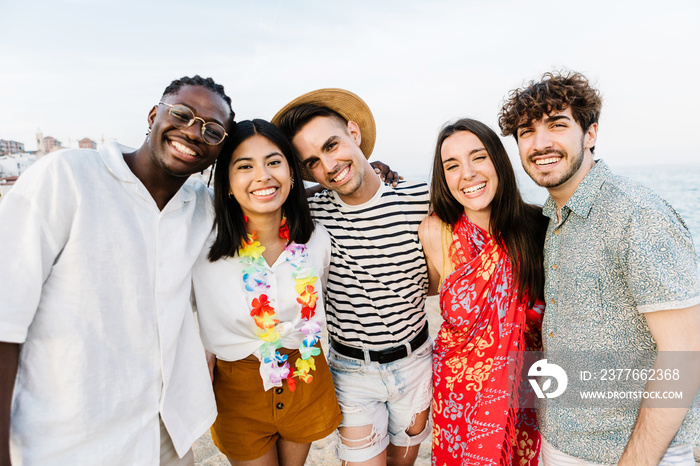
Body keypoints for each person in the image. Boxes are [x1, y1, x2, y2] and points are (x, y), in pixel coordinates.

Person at [0, 75, 235, 465]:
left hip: (166, 435)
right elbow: (4, 320)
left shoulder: (202, 208)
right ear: (153, 115)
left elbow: (265, 197)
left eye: (212, 131)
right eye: (182, 114)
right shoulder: (68, 176)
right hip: (66, 442)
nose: (194, 132)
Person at [498, 71, 700, 465]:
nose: (540, 144)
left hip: (632, 452)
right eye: (527, 131)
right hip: (561, 441)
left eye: (557, 124)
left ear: (590, 133)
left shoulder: (635, 215)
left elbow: (684, 353)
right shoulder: (552, 217)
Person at [272, 89, 432, 466]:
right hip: (351, 370)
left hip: (417, 362)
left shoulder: (419, 197)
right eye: (312, 161)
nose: (328, 165)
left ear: (354, 133)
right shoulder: (309, 213)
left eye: (332, 145)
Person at [191, 119, 342, 465]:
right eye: (245, 166)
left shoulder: (317, 238)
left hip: (305, 371)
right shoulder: (203, 241)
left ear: (291, 172)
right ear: (226, 182)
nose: (263, 176)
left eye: (274, 162)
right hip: (237, 385)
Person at [418, 118, 547, 465]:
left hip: (527, 394)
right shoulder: (435, 231)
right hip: (458, 400)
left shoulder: (538, 227)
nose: (468, 174)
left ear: (499, 161)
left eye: (479, 157)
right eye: (452, 165)